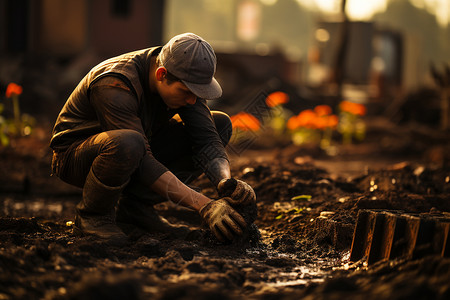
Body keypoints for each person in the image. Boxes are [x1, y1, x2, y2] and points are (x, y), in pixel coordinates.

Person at [50, 33, 256, 245]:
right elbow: (142, 160)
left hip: (135, 147)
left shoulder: (180, 71)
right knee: (129, 143)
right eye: (186, 91)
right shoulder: (114, 84)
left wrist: (226, 183)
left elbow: (207, 138)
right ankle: (92, 216)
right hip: (76, 156)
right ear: (161, 74)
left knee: (220, 124)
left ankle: (135, 209)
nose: (193, 99)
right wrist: (204, 205)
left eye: (197, 92)